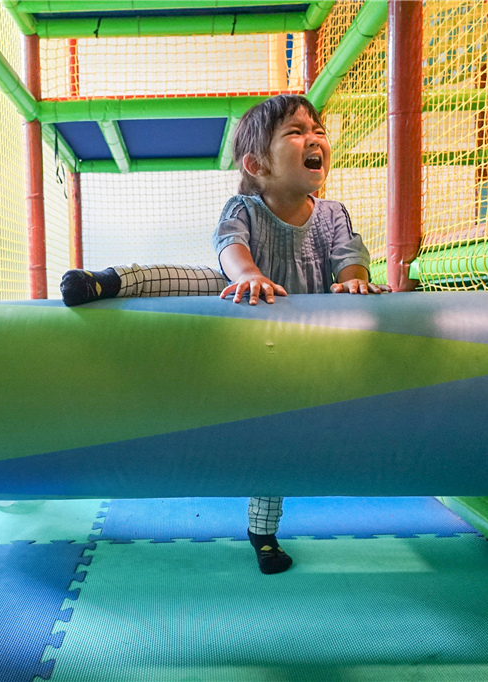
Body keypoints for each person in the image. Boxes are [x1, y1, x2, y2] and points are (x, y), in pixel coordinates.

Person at [60, 94, 389, 574]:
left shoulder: (332, 214)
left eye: (317, 130)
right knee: (200, 279)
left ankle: (263, 533)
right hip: (247, 314)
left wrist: (352, 279)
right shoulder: (246, 206)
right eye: (295, 133)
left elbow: (348, 257)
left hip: (300, 340)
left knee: (273, 447)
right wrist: (249, 275)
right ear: (257, 164)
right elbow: (228, 245)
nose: (314, 138)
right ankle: (108, 282)